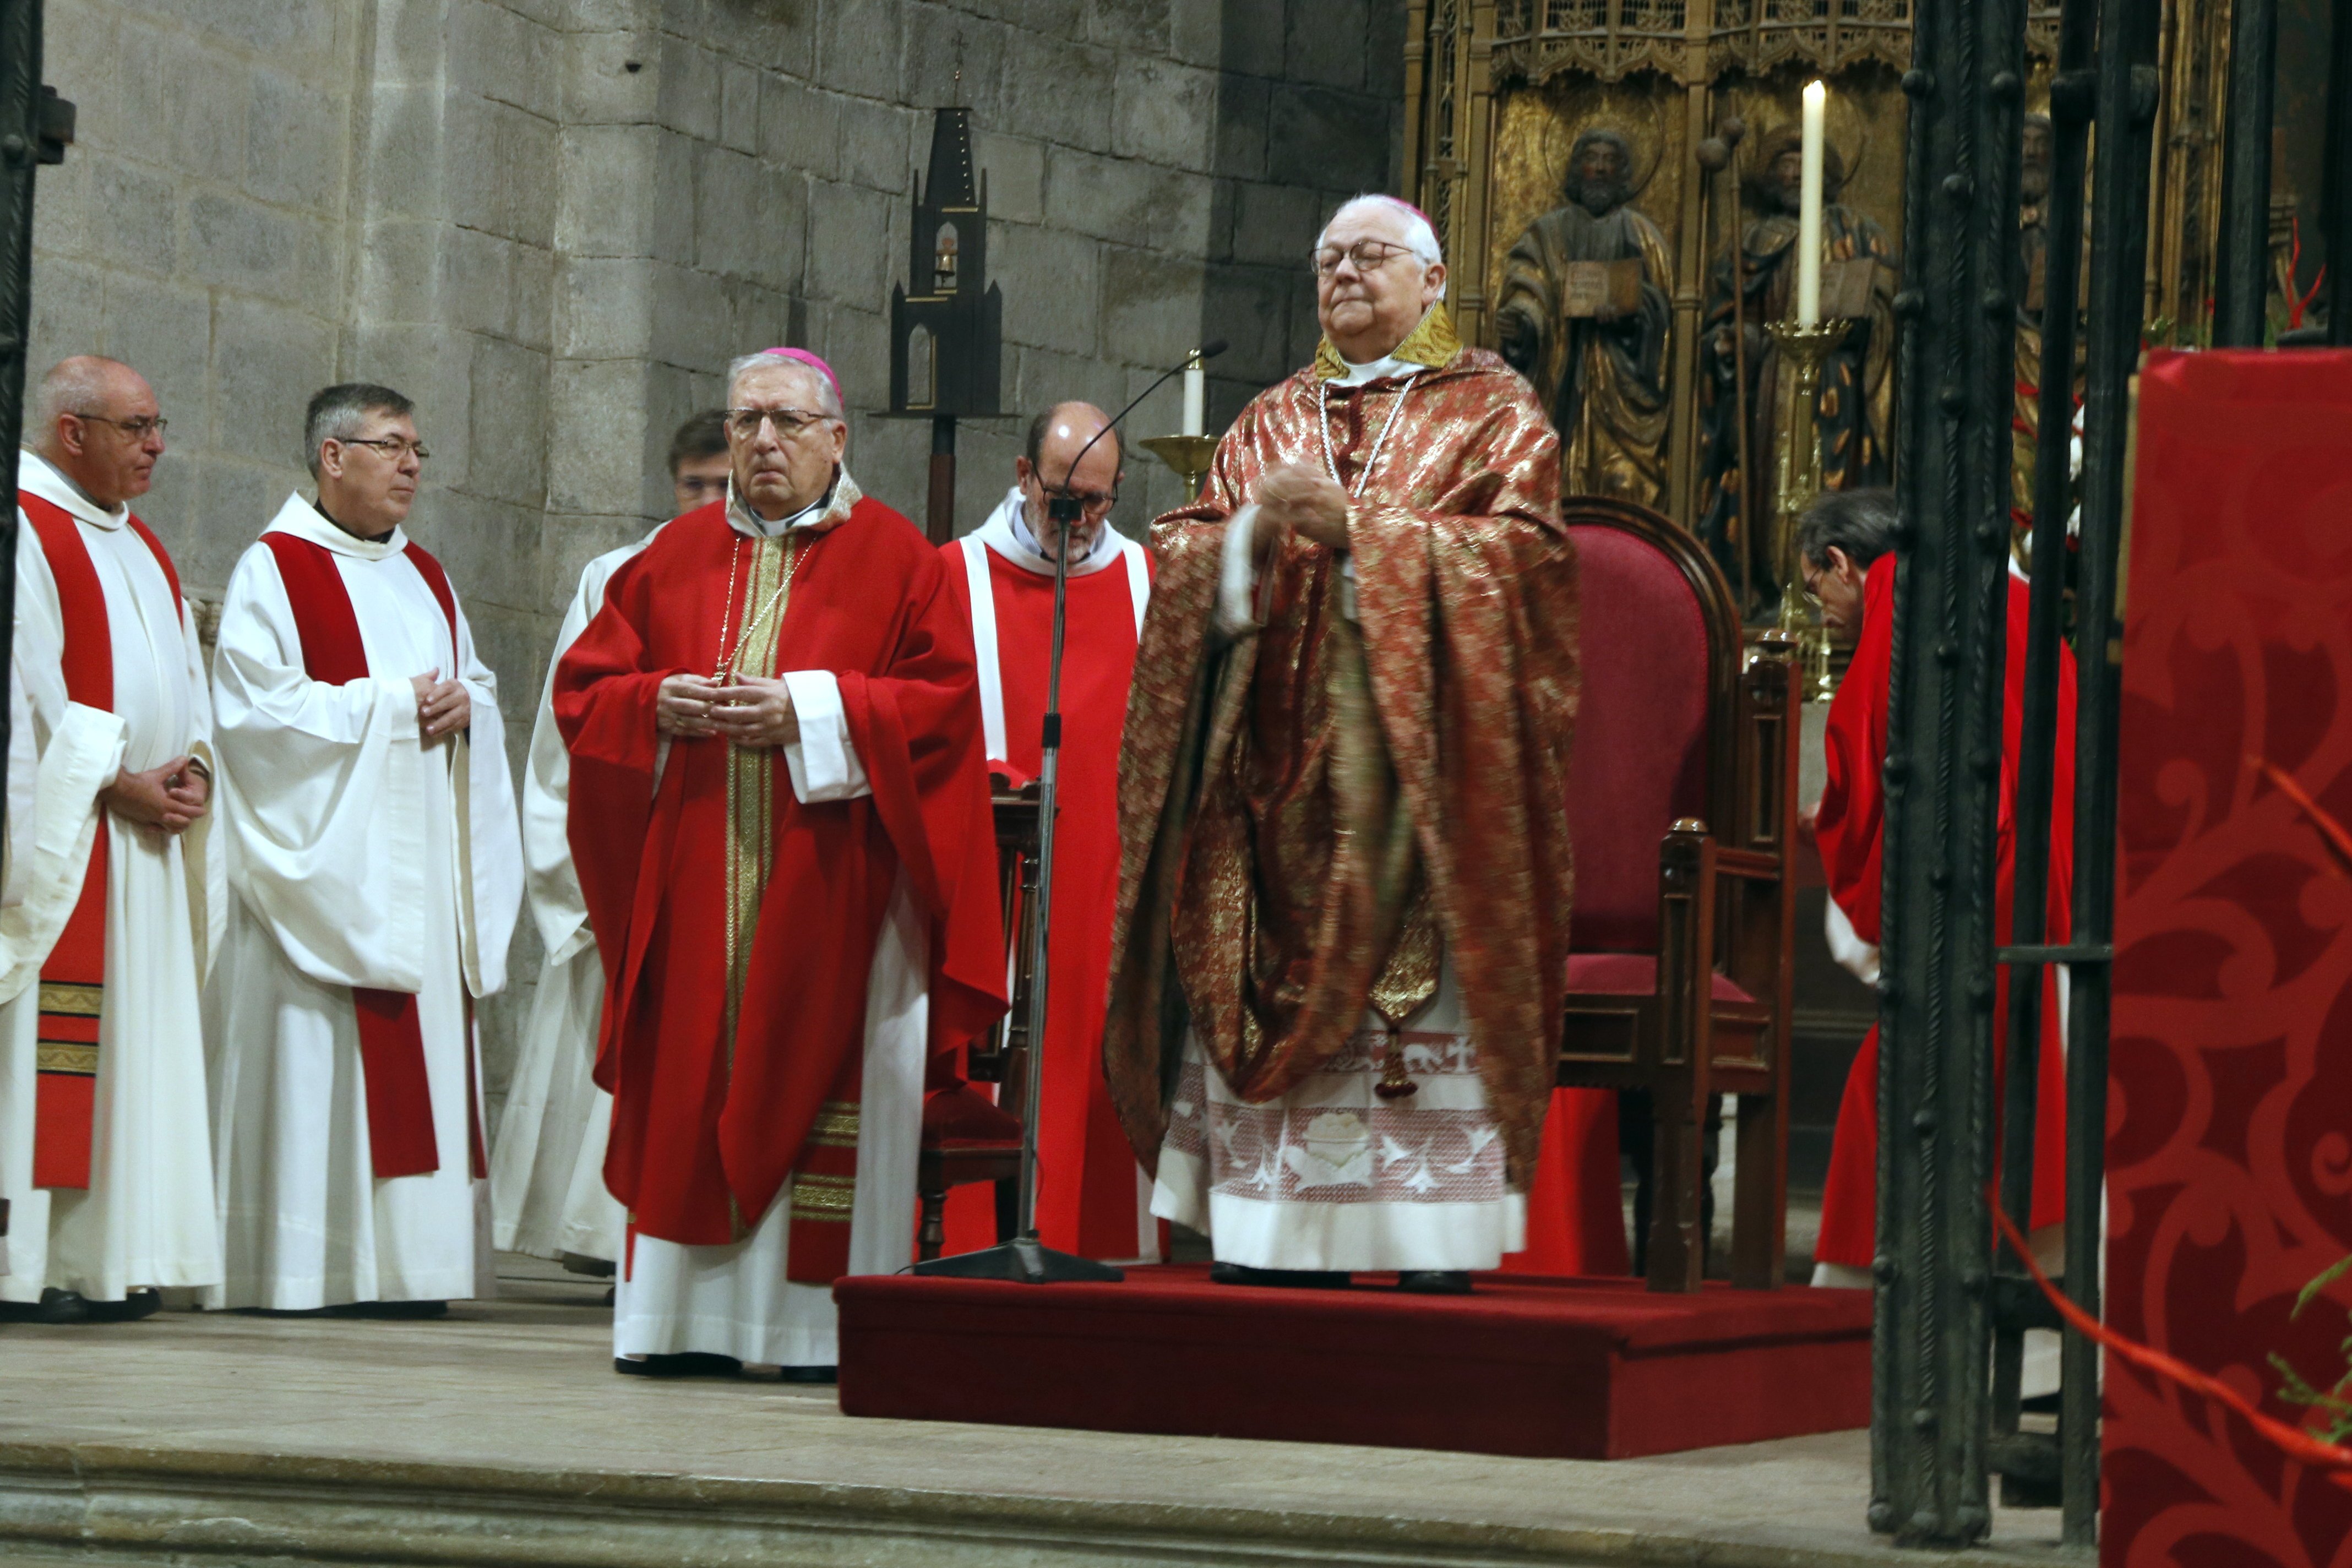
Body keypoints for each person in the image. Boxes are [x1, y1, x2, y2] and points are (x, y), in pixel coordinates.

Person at [1102, 195, 1591, 1293]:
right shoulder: (1272, 416)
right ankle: (1279, 1236)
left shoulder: (1494, 411)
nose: (1346, 274)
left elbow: (1531, 567)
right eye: (1328, 260)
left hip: (1425, 769)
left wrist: (1362, 533)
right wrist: (1243, 541)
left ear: (1432, 279)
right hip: (1275, 753)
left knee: (1413, 991)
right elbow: (1184, 549)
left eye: (1372, 256)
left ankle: (1426, 1244)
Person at [554, 348, 1004, 1378]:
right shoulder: (667, 557)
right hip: (694, 883)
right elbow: (586, 693)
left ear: (835, 438)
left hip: (842, 889)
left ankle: (810, 1331)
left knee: (828, 1090)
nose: (762, 441)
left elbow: (942, 710)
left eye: (787, 423)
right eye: (745, 420)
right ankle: (675, 1323)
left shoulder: (903, 560)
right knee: (688, 1076)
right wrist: (652, 703)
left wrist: (809, 708)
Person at [205, 383, 523, 1314]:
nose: (413, 465)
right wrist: (389, 707)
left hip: (420, 864)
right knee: (320, 1061)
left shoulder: (426, 573)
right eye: (391, 446)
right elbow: (256, 716)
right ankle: (310, 1267)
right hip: (328, 879)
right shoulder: (277, 566)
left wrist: (472, 709)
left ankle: (411, 1268)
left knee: (418, 1062)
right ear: (332, 457)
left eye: (417, 447)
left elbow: (476, 684)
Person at [1798, 488, 2072, 1385]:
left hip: (1980, 895)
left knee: (1901, 1096)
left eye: (1814, 593)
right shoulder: (2010, 592)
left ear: (1843, 563)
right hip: (2054, 889)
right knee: (2029, 1103)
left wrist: (1827, 830)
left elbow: (1875, 778)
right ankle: (2035, 1339)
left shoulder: (1899, 607)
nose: (1823, 617)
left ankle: (1868, 1334)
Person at [0, 357, 222, 1324]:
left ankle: (112, 1257)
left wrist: (196, 766)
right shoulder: (23, 524)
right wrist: (112, 781)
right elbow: (27, 696)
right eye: (137, 427)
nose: (158, 445)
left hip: (143, 840)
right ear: (71, 430)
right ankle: (36, 1257)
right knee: (53, 1050)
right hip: (71, 839)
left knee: (135, 1051)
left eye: (158, 423)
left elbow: (187, 672)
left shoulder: (145, 544)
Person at [488, 410, 731, 1273]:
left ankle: (657, 1230)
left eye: (725, 484)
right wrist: (567, 860)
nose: (710, 500)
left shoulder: (774, 578)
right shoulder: (618, 573)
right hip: (622, 843)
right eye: (694, 484)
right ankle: (592, 1232)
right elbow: (569, 718)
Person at [934, 402, 1156, 1262]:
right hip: (988, 870)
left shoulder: (1147, 578)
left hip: (1106, 873)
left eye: (1096, 503)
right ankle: (967, 1236)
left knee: (1087, 1048)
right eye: (1062, 500)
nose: (1078, 521)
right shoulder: (953, 573)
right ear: (1024, 476)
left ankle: (1079, 1234)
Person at [1696, 126, 1897, 615]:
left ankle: (1836, 596)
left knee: (1835, 480)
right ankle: (1770, 586)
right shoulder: (1753, 240)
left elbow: (1890, 303)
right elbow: (1729, 312)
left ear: (1827, 175)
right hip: (1770, 379)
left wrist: (1867, 316)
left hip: (1839, 381)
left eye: (1802, 165)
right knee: (1767, 480)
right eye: (1784, 166)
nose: (1793, 174)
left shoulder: (1857, 232)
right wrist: (1735, 341)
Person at [1495, 127, 1674, 505]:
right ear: (1577, 169)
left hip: (1621, 383)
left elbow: (1666, 312)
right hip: (1560, 375)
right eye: (1592, 159)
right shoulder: (1548, 232)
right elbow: (1528, 285)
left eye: (1610, 161)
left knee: (1622, 484)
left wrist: (1632, 311)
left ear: (1623, 174)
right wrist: (1523, 322)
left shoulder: (1642, 235)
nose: (1601, 169)